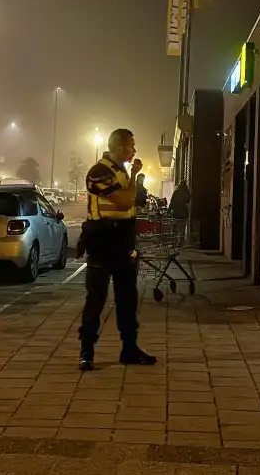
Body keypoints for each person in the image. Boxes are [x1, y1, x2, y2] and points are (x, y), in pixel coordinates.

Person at [78, 128, 157, 371]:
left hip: (123, 243)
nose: (134, 150)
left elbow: (134, 199)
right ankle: (86, 352)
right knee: (96, 300)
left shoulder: (121, 170)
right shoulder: (99, 172)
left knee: (127, 299)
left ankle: (129, 349)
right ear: (120, 147)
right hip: (102, 242)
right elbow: (124, 201)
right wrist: (134, 177)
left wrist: (132, 176)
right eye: (131, 145)